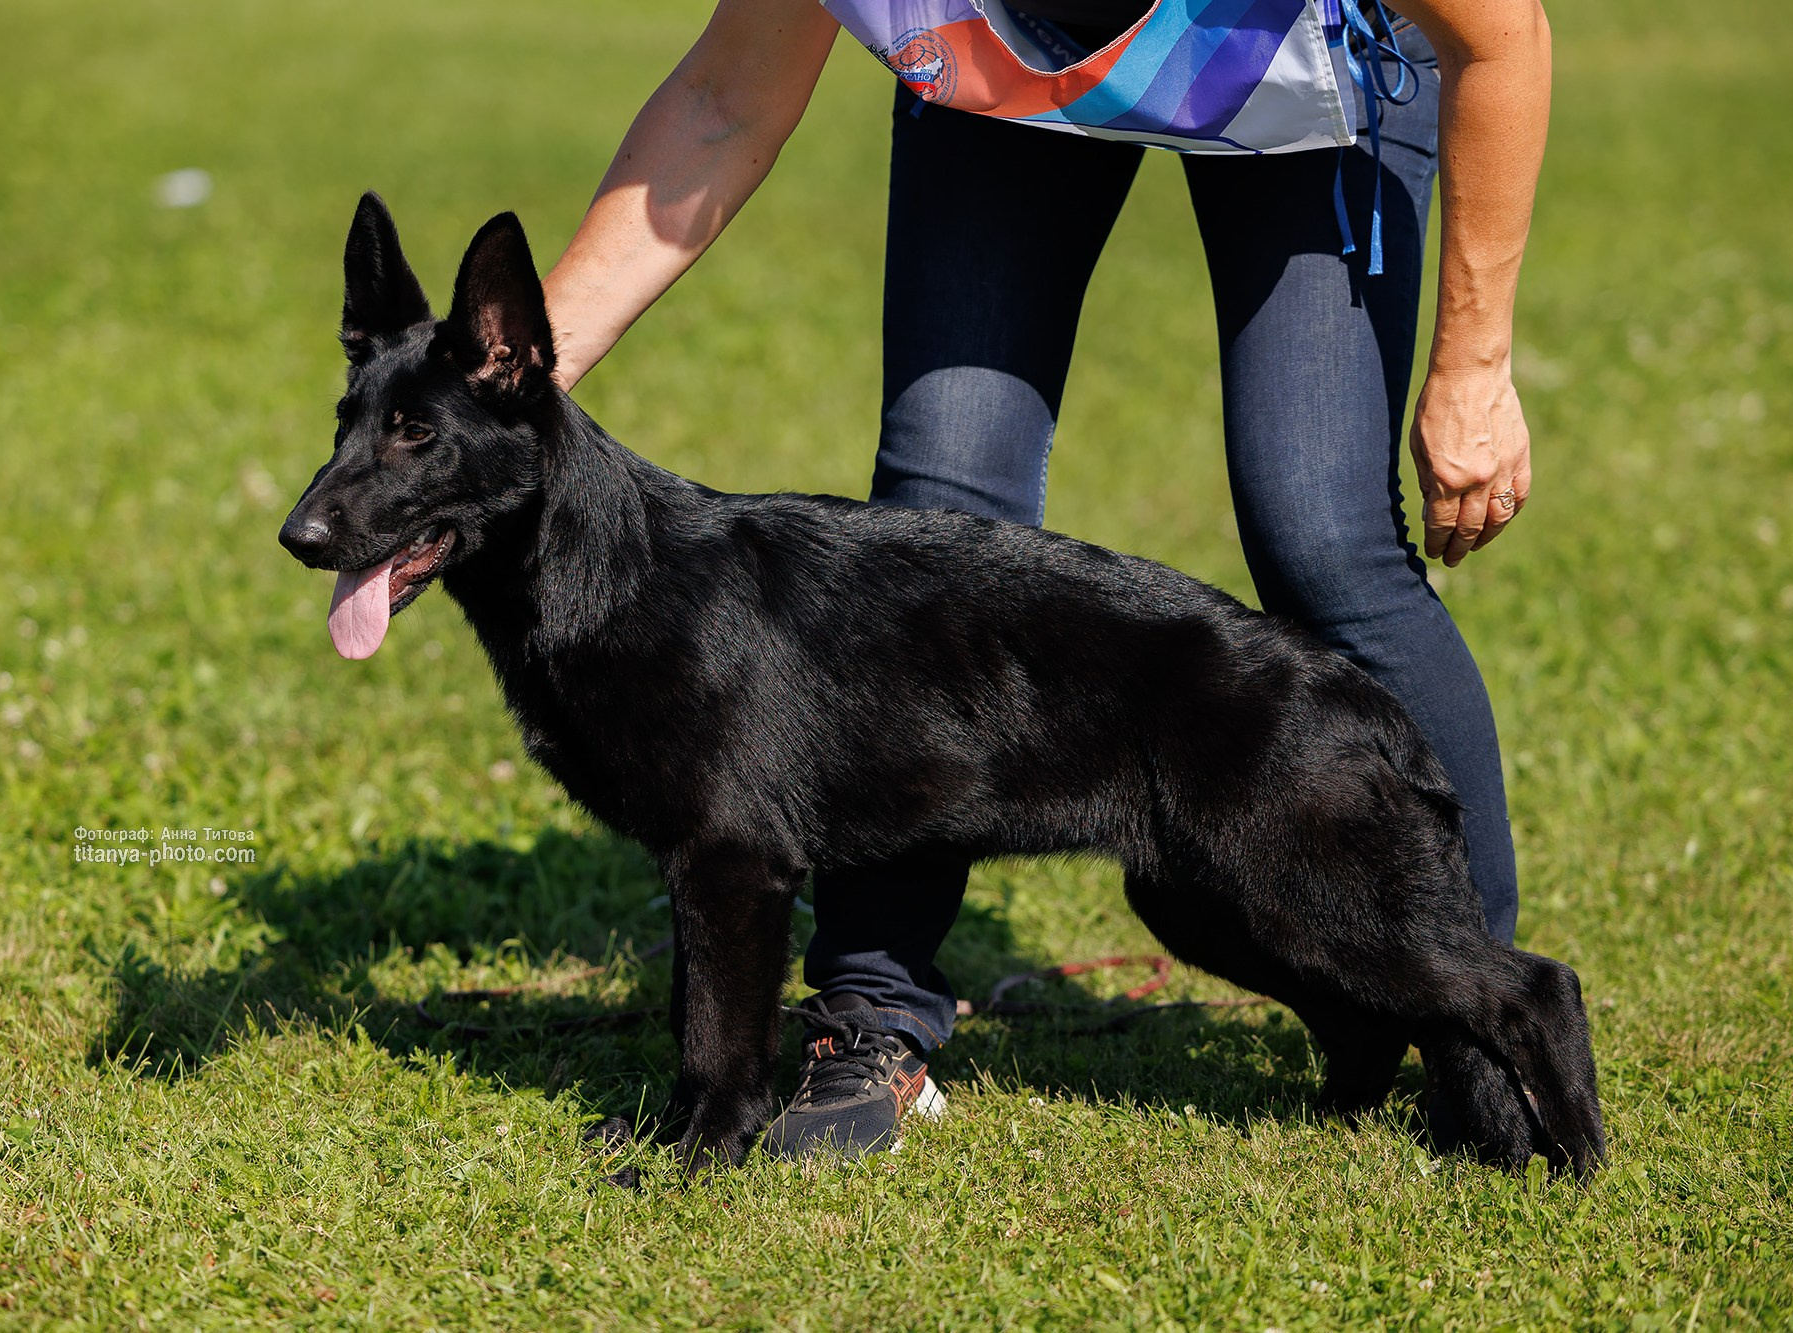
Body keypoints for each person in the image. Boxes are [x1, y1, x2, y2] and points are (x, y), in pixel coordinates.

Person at [539, 0, 1551, 1159]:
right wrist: (510, 383)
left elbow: (1501, 35)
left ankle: (1475, 1023)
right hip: (1004, 88)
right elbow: (722, 102)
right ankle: (872, 1014)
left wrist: (1472, 363)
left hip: (1295, 89)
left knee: (1321, 539)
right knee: (939, 497)